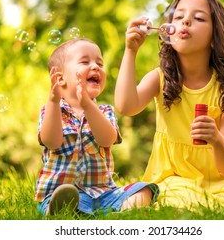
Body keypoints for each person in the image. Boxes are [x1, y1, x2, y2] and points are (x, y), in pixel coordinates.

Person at [115, 0, 224, 210]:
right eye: (178, 16)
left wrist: (216, 139)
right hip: (173, 176)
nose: (185, 21)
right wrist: (130, 51)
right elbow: (125, 106)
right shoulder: (160, 79)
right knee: (168, 196)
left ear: (215, 38)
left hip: (221, 181)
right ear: (168, 30)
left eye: (198, 18)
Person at [35, 38, 158, 216]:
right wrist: (53, 100)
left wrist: (87, 104)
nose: (96, 67)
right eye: (85, 62)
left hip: (104, 193)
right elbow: (51, 142)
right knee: (66, 197)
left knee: (143, 189)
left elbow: (107, 139)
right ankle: (62, 209)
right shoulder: (52, 111)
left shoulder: (104, 111)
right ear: (60, 78)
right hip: (64, 192)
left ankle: (122, 212)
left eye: (99, 63)